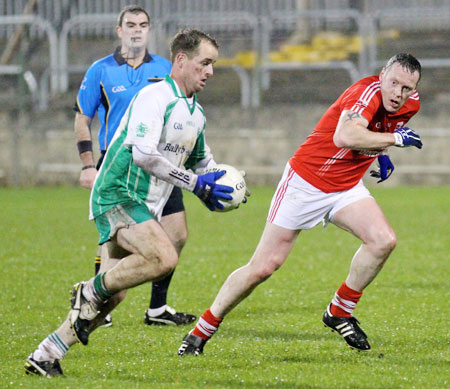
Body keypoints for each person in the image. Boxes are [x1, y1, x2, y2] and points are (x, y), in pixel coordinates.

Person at [178, 53, 423, 356]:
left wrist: (381, 152)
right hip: (305, 182)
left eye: (407, 89)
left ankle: (339, 311)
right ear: (382, 74)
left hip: (345, 187)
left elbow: (378, 126)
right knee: (264, 267)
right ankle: (201, 331)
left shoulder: (410, 104)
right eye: (394, 83)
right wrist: (394, 141)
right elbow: (346, 134)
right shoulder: (367, 91)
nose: (398, 94)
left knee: (383, 241)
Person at [25, 28, 233, 377]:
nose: (210, 71)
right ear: (181, 61)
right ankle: (88, 289)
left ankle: (46, 354)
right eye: (205, 63)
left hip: (142, 204)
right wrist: (196, 185)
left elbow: (202, 161)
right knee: (163, 257)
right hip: (118, 193)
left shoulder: (196, 114)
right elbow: (144, 156)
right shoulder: (155, 96)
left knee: (113, 297)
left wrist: (225, 182)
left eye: (213, 64)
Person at [74, 5, 195, 327]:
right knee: (113, 241)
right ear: (119, 30)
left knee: (178, 235)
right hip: (119, 165)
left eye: (143, 24)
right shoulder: (100, 70)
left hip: (159, 165)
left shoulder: (165, 67)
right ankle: (101, 302)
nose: (137, 30)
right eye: (130, 24)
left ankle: (157, 309)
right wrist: (88, 165)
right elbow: (82, 119)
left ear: (149, 30)